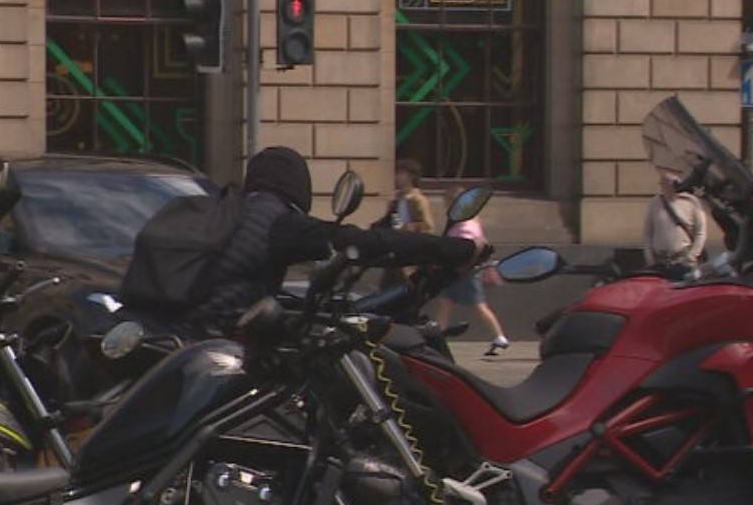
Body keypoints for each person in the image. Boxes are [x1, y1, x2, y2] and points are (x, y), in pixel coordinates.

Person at [183, 147, 477, 334]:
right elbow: (367, 243)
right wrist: (451, 249)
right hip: (216, 338)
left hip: (175, 334)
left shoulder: (226, 212)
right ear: (296, 186)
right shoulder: (278, 222)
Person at [434, 205, 510, 356]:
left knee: (477, 306)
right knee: (445, 302)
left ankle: (499, 336)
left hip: (464, 273)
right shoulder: (469, 224)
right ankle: (437, 337)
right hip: (459, 272)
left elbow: (468, 247)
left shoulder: (466, 226)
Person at [643, 171, 709, 271]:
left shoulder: (691, 202)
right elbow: (647, 233)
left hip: (683, 260)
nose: (663, 186)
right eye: (662, 183)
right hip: (659, 261)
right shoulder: (655, 202)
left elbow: (701, 233)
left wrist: (692, 255)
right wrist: (649, 257)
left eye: (667, 183)